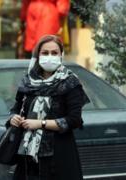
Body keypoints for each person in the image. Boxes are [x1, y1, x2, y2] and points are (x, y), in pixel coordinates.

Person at [7, 35, 89, 180]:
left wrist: (41, 123)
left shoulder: (70, 82)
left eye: (54, 53)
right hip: (28, 157)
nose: (49, 57)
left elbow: (74, 120)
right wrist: (14, 118)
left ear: (61, 55)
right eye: (45, 53)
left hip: (59, 155)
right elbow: (16, 108)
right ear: (38, 55)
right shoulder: (28, 81)